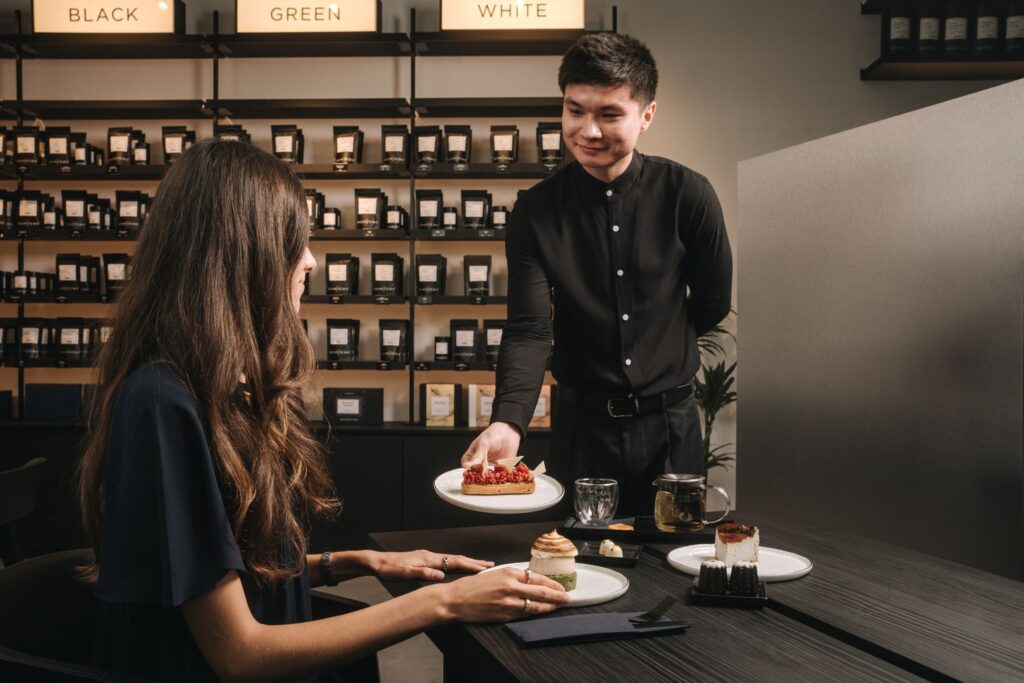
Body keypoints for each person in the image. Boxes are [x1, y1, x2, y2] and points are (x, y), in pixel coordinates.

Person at [77, 139, 569, 683]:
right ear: (246, 252)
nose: (311, 260)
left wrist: (357, 562)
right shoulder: (163, 403)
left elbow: (221, 574)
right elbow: (240, 654)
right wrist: (445, 603)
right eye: (296, 242)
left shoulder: (222, 387)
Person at [461, 33, 733, 517]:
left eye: (609, 114)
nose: (588, 130)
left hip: (671, 427)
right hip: (582, 428)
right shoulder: (535, 211)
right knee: (577, 565)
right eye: (574, 111)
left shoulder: (688, 195)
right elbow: (529, 329)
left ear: (646, 116)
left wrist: (660, 348)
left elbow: (711, 303)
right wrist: (508, 422)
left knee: (671, 563)